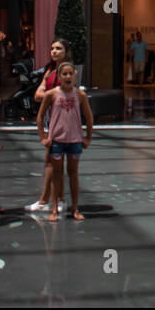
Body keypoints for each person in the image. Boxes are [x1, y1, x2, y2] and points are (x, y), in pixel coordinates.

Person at [36, 62, 93, 222]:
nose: (68, 77)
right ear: (59, 77)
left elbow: (88, 117)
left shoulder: (80, 95)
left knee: (73, 174)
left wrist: (88, 137)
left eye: (70, 74)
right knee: (57, 174)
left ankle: (75, 208)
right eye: (64, 74)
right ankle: (54, 208)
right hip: (57, 140)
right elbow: (40, 117)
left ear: (75, 75)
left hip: (75, 140)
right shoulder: (51, 94)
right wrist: (43, 137)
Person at [27, 37, 71, 212]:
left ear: (66, 51)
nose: (54, 51)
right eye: (52, 48)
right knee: (51, 160)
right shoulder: (49, 70)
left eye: (58, 48)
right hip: (50, 119)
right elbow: (38, 94)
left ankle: (51, 199)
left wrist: (48, 94)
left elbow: (67, 93)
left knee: (54, 160)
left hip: (63, 121)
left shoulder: (67, 70)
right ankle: (52, 199)